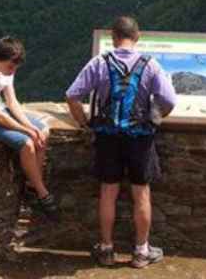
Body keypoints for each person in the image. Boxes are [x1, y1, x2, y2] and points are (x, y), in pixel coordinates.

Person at [65, 16, 178, 269]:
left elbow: (72, 96)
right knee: (141, 193)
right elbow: (169, 100)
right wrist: (155, 118)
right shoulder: (150, 65)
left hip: (107, 136)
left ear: (114, 37)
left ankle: (106, 249)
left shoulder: (99, 63)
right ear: (137, 37)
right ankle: (140, 252)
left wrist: (85, 123)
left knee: (108, 192)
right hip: (141, 138)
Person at [0, 36, 57, 218]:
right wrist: (27, 131)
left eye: (15, 68)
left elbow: (12, 103)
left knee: (42, 131)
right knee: (26, 143)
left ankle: (31, 185)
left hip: (0, 111)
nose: (12, 71)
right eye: (10, 67)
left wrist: (32, 127)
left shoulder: (6, 69)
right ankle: (42, 192)